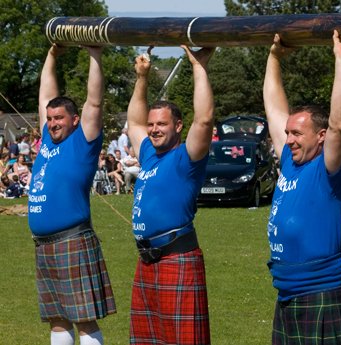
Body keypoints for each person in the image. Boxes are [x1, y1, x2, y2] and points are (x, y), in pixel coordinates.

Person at [264, 31, 341, 344]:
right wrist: (273, 59)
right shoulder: (290, 161)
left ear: (320, 136)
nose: (289, 139)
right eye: (288, 133)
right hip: (288, 296)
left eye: (297, 133)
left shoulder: (329, 167)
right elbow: (272, 106)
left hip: (323, 296)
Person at [27, 44, 116, 345]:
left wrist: (95, 55)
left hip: (72, 241)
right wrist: (51, 55)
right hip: (44, 246)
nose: (52, 123)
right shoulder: (48, 144)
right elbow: (45, 96)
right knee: (57, 319)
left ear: (74, 120)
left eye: (59, 118)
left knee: (83, 318)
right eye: (50, 119)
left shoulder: (83, 143)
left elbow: (94, 102)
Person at [127, 44, 215, 344]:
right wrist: (142, 77)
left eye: (161, 123)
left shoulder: (187, 158)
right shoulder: (150, 155)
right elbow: (134, 123)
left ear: (178, 126)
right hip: (147, 261)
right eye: (152, 124)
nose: (153, 129)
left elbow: (204, 119)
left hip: (176, 259)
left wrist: (198, 67)